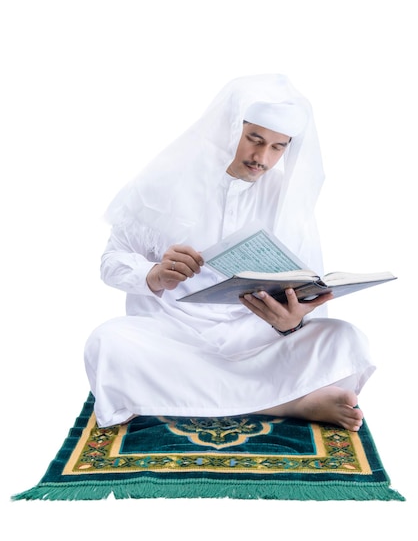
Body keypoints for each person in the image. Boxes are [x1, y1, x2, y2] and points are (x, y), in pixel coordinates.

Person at [84, 74, 375, 431]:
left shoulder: (287, 198)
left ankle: (172, 397)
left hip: (255, 339)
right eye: (254, 139)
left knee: (345, 339)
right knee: (108, 342)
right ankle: (288, 403)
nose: (262, 158)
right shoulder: (163, 181)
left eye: (277, 147)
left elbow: (309, 290)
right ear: (228, 128)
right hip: (172, 336)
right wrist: (153, 275)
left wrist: (290, 323)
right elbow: (111, 263)